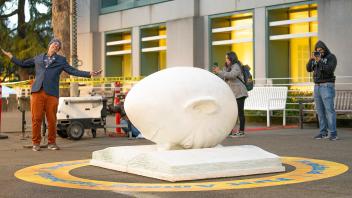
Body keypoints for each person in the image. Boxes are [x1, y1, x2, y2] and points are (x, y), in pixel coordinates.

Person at [1, 38, 102, 151]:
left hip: (52, 93)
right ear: (49, 45)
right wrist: (11, 56)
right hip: (37, 92)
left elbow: (73, 71)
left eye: (58, 45)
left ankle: (52, 143)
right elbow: (23, 64)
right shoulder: (38, 57)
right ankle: (36, 143)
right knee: (36, 118)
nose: (56, 45)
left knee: (52, 119)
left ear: (58, 49)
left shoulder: (61, 60)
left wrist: (89, 73)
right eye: (54, 43)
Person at [306, 40, 338, 141]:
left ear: (324, 49)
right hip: (317, 87)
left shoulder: (331, 57)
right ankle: (323, 132)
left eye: (321, 50)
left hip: (327, 86)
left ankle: (333, 134)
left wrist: (319, 60)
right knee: (320, 111)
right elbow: (308, 69)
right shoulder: (315, 59)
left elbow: (329, 70)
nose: (319, 52)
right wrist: (310, 60)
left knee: (329, 110)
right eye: (317, 50)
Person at [213, 51, 248, 137]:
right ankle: (230, 131)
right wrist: (216, 73)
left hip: (240, 92)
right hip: (232, 93)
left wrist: (220, 71)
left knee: (240, 112)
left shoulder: (236, 66)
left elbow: (232, 75)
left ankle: (241, 131)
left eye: (227, 58)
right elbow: (224, 76)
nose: (226, 60)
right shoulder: (226, 67)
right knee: (231, 112)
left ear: (231, 58)